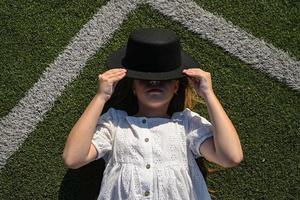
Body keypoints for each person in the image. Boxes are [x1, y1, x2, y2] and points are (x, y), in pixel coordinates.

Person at [62, 27, 243, 200]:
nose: (154, 83)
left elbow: (230, 157)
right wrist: (101, 96)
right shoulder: (115, 123)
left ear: (175, 86)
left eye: (163, 80)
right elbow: (73, 158)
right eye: (145, 79)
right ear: (133, 86)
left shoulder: (186, 124)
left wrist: (208, 94)